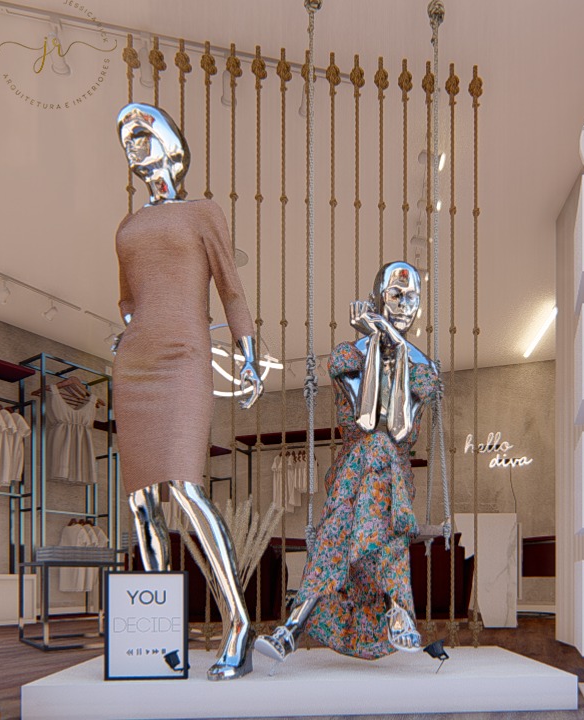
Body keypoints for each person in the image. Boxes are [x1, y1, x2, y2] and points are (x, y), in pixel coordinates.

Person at [113, 102, 262, 680]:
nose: (133, 142)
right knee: (140, 501)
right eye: (126, 136)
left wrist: (249, 354)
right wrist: (128, 328)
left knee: (186, 488)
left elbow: (230, 288)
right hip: (135, 365)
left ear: (171, 143)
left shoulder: (202, 213)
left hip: (184, 360)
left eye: (143, 130)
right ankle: (160, 638)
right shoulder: (127, 228)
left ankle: (238, 622)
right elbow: (128, 299)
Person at [255, 261, 439, 661]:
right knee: (372, 455)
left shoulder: (424, 367)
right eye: (396, 295)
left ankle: (293, 626)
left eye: (412, 298)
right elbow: (367, 420)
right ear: (377, 300)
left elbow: (399, 430)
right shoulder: (348, 356)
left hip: (389, 477)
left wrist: (397, 346)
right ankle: (399, 610)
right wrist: (376, 345)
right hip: (357, 471)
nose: (405, 305)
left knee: (358, 493)